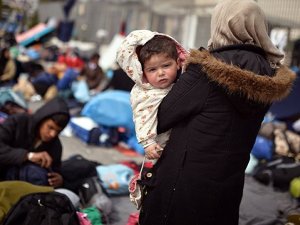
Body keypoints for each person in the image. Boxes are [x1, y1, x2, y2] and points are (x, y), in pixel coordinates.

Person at [138, 1, 297, 225]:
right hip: (227, 184)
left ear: (221, 24)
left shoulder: (207, 70)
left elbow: (162, 117)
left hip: (183, 184)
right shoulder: (268, 75)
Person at [116, 30, 187, 158]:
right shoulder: (146, 94)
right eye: (152, 69)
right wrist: (148, 143)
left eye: (166, 66)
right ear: (142, 72)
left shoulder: (186, 82)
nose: (160, 73)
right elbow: (142, 116)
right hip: (161, 148)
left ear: (177, 63)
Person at [0, 97, 70, 188]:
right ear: (42, 119)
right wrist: (28, 156)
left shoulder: (55, 145)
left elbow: (56, 169)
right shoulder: (18, 122)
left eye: (58, 131)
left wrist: (58, 179)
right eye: (50, 127)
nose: (52, 134)